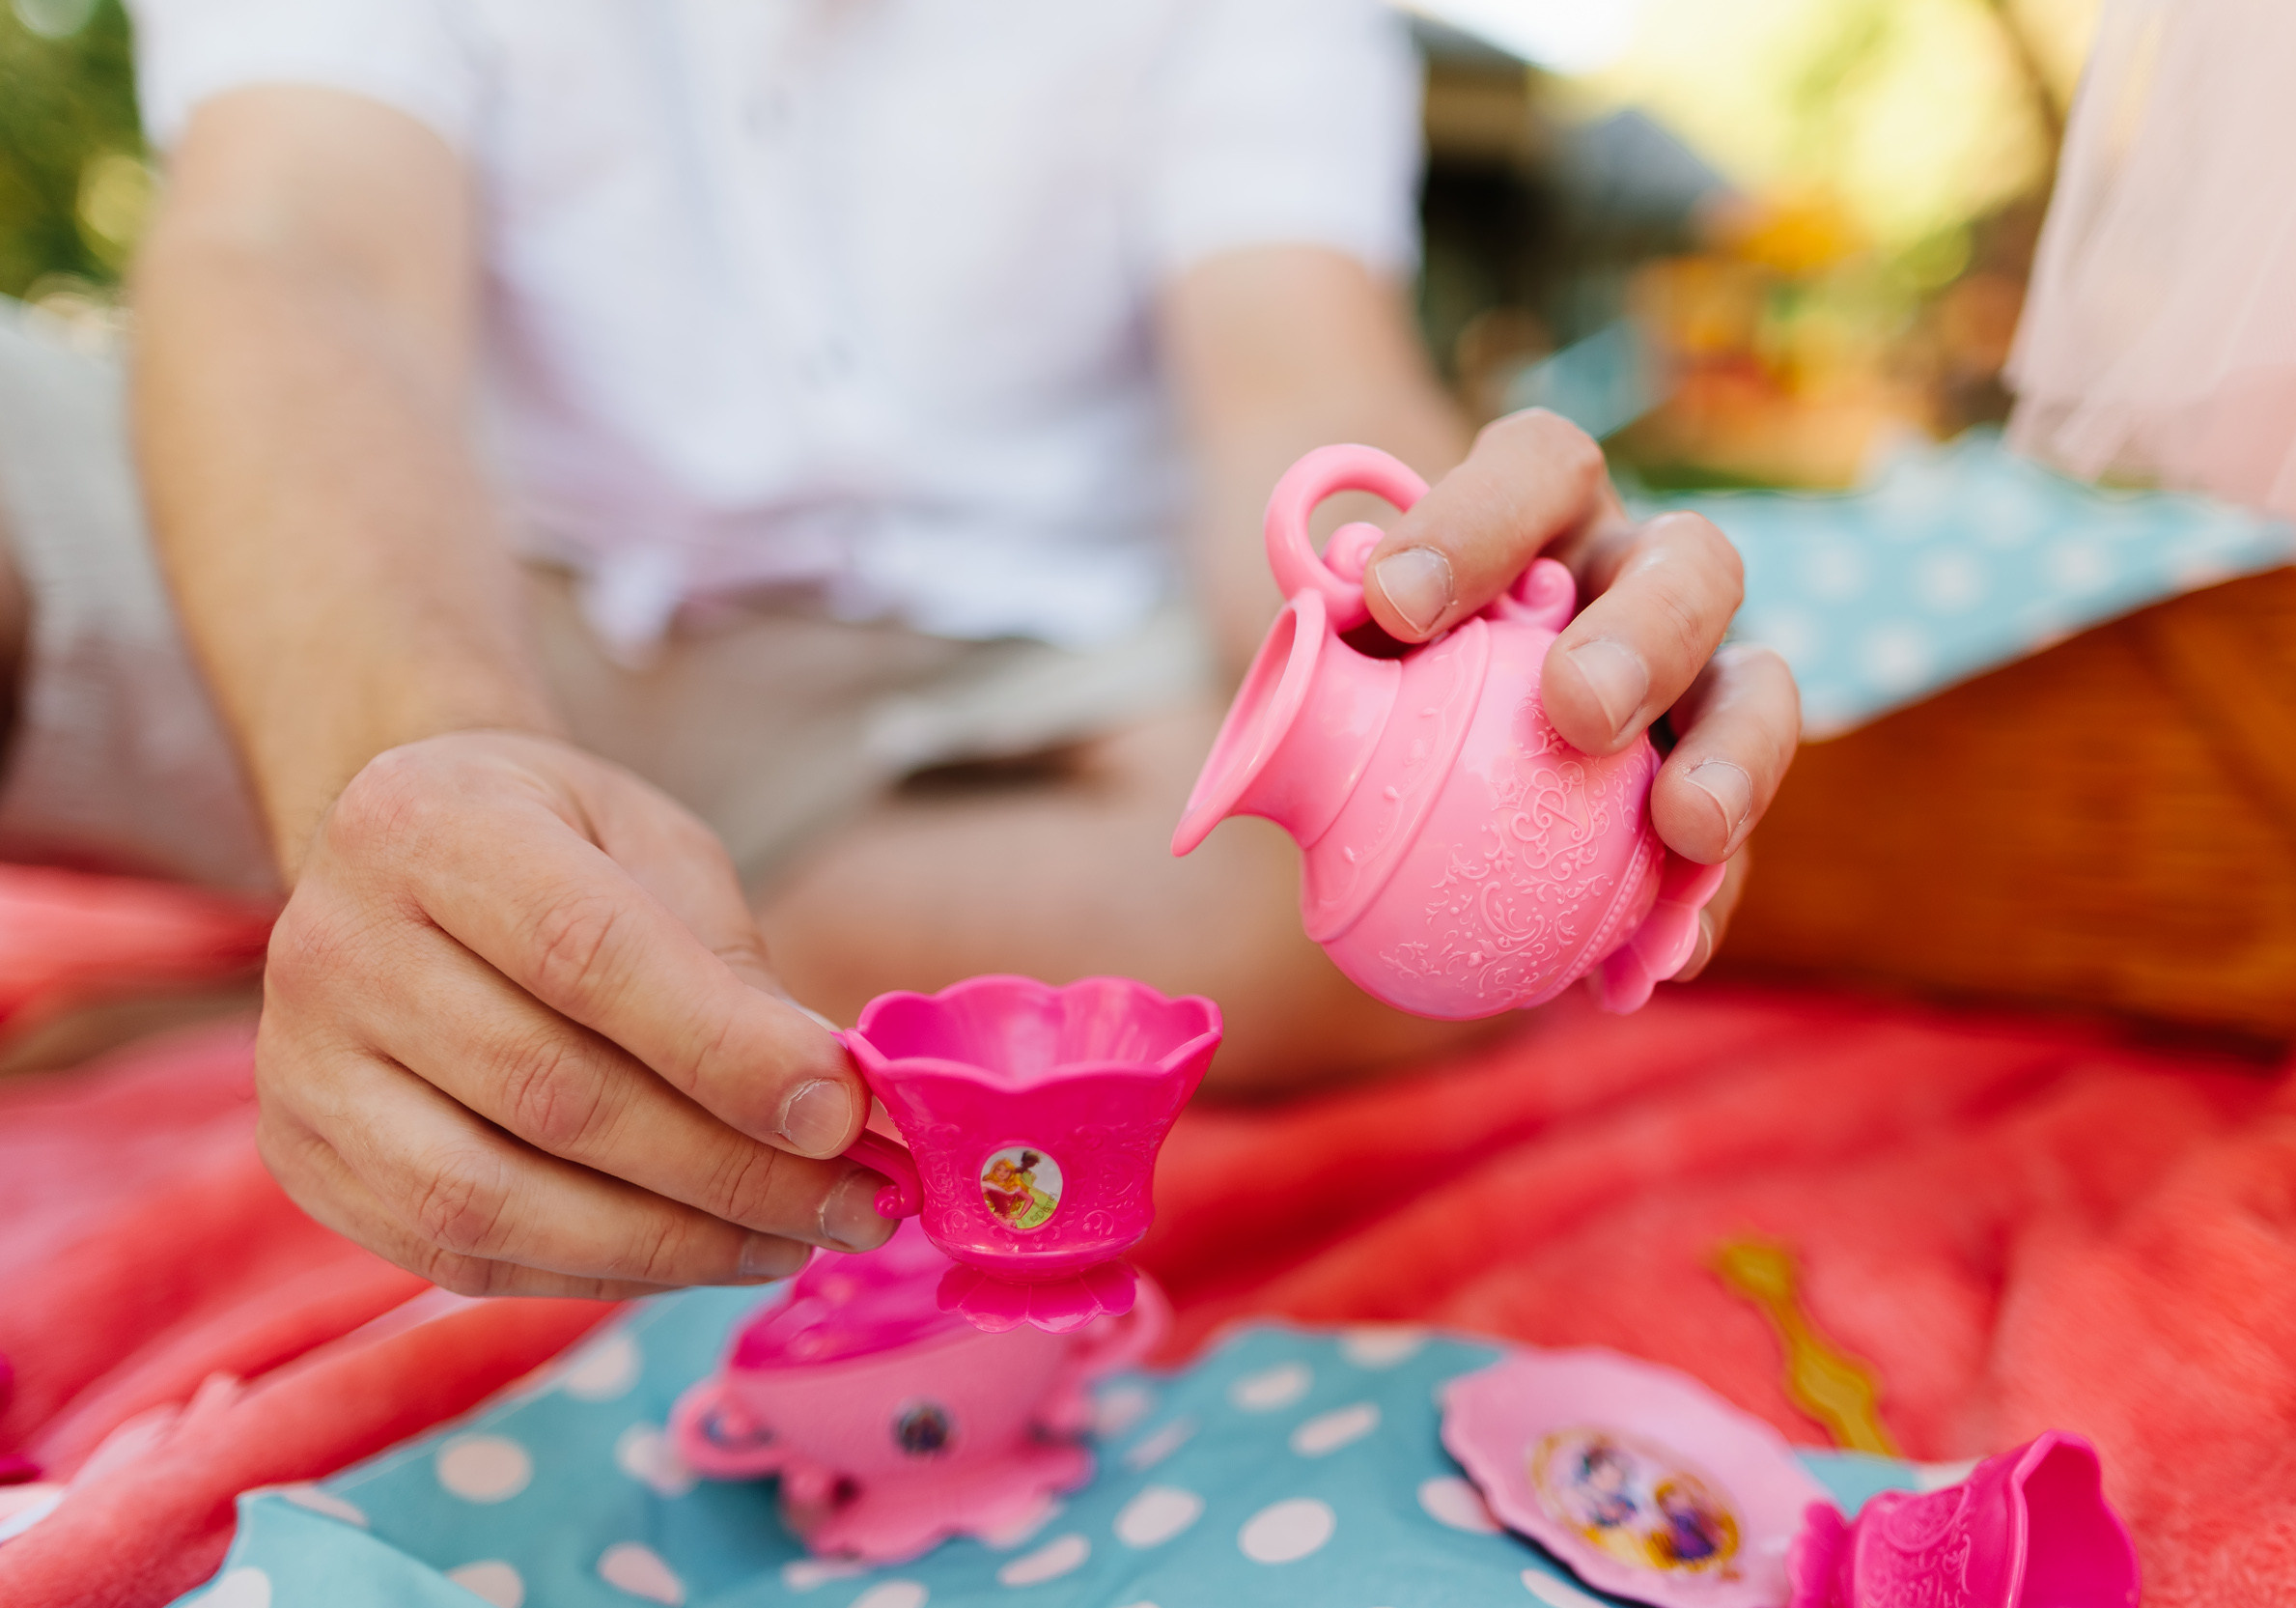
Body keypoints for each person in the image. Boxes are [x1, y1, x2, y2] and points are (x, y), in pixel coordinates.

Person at [0, 0, 1798, 1301]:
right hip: (416, 558)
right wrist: (407, 766)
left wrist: (1454, 646)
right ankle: (492, 912)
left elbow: (1290, 366)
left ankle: (536, 944)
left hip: (992, 698)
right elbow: (296, 251)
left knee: (1354, 941)